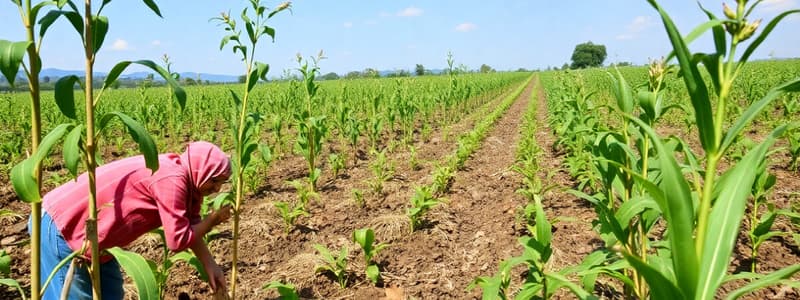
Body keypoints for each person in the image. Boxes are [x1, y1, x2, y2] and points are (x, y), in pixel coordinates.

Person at [30, 141, 232, 299]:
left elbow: (191, 226)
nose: (217, 189)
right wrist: (212, 220)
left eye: (222, 182)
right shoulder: (172, 179)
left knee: (111, 294)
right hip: (63, 228)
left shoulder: (190, 186)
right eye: (214, 180)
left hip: (98, 242)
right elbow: (177, 240)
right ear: (200, 169)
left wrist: (210, 264)